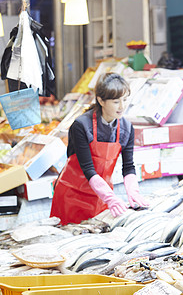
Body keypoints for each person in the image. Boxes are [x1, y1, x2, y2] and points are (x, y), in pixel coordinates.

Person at [50, 72, 148, 225]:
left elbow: (128, 166)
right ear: (101, 100)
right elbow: (88, 169)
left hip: (101, 195)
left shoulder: (127, 128)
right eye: (116, 102)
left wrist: (133, 192)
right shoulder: (82, 125)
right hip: (72, 196)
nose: (122, 106)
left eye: (124, 100)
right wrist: (110, 197)